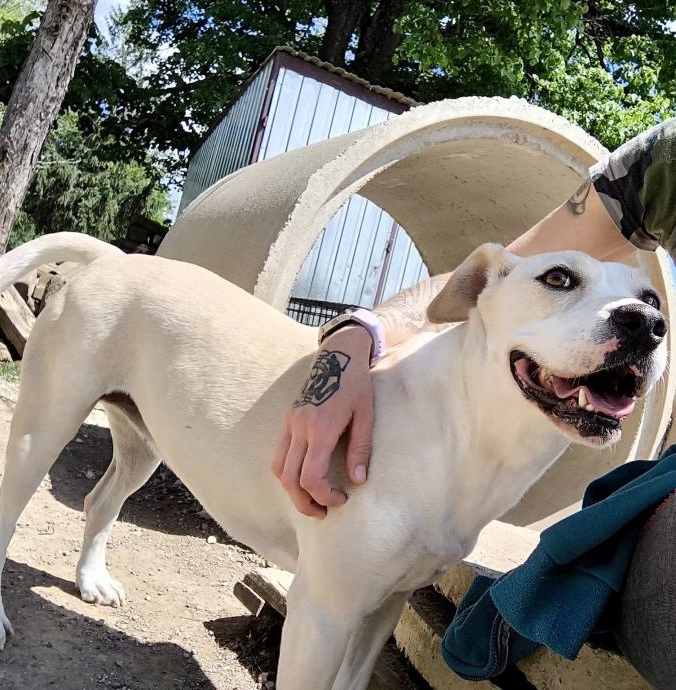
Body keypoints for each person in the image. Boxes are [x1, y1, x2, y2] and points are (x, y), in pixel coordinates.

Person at [271, 118, 676, 688]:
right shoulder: (666, 164)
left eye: (649, 305)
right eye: (563, 281)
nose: (645, 321)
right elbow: (503, 266)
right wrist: (354, 338)